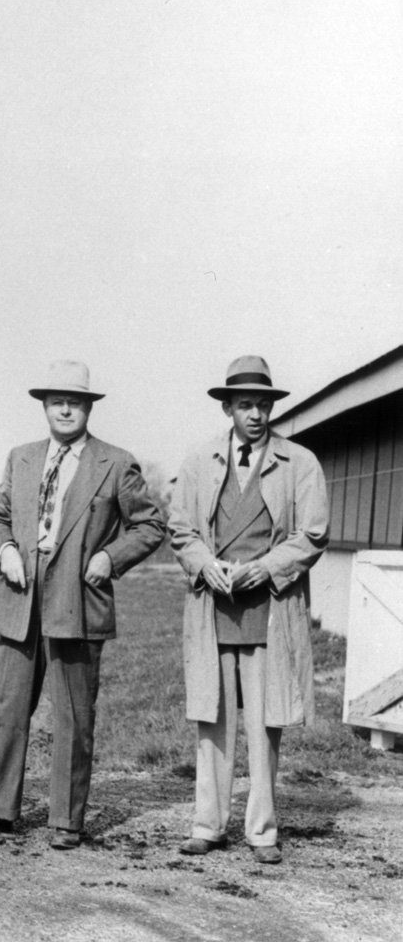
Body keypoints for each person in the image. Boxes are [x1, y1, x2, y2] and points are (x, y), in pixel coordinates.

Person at [0, 361, 163, 849]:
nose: (66, 409)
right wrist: (5, 550)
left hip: (77, 598)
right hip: (19, 597)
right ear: (45, 408)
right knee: (6, 709)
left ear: (89, 407)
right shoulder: (21, 457)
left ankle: (66, 821)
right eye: (56, 401)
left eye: (75, 401)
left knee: (73, 716)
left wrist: (111, 558)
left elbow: (150, 526)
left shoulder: (115, 462)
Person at [168, 355, 328, 864]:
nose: (255, 414)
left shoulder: (300, 462)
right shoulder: (199, 461)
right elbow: (182, 530)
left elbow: (314, 533)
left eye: (263, 405)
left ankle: (262, 830)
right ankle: (207, 825)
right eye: (245, 405)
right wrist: (202, 565)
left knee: (264, 725)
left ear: (271, 407)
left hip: (270, 611)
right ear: (228, 408)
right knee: (212, 722)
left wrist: (268, 567)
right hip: (213, 611)